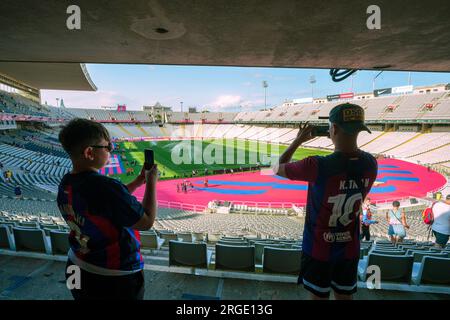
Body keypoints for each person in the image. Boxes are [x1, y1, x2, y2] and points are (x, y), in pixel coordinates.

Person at [275, 103, 378, 300]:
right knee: (345, 297)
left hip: (318, 247)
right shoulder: (371, 164)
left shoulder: (316, 165)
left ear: (334, 128)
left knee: (317, 297)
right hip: (350, 247)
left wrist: (297, 141)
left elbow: (277, 167)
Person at [57, 118, 158, 300]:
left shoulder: (66, 182)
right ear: (89, 152)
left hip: (74, 265)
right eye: (107, 147)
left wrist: (137, 181)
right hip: (113, 276)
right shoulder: (106, 187)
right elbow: (147, 221)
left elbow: (106, 202)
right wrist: (151, 181)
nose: (110, 150)